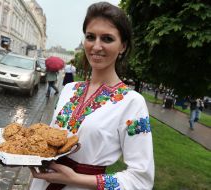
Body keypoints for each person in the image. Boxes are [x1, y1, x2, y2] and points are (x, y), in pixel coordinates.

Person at [30, 2, 154, 190]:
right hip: (40, 183)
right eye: (90, 37)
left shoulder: (132, 103)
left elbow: (141, 180)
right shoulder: (69, 90)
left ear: (123, 46)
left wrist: (76, 179)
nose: (96, 46)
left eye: (107, 38)